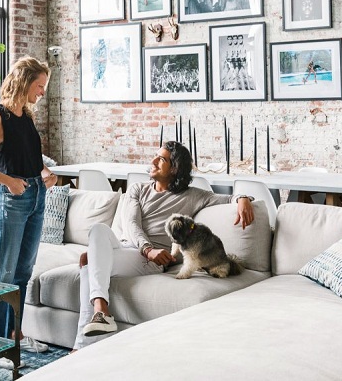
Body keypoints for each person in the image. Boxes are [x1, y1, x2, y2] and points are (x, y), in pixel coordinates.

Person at [72, 141, 255, 350]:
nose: (153, 161)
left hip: (150, 262)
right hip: (135, 249)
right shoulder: (137, 189)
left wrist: (243, 199)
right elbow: (131, 224)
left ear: (175, 168)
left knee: (89, 263)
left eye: (161, 159)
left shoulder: (192, 196)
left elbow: (228, 197)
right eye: (156, 156)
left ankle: (81, 346)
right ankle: (101, 311)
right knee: (97, 230)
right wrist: (146, 249)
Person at [0, 56, 58, 362]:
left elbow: (30, 155)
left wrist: (44, 173)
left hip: (36, 197)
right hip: (11, 200)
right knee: (3, 274)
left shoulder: (26, 116)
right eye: (40, 85)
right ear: (24, 80)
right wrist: (9, 181)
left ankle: (14, 336)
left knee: (23, 272)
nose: (43, 92)